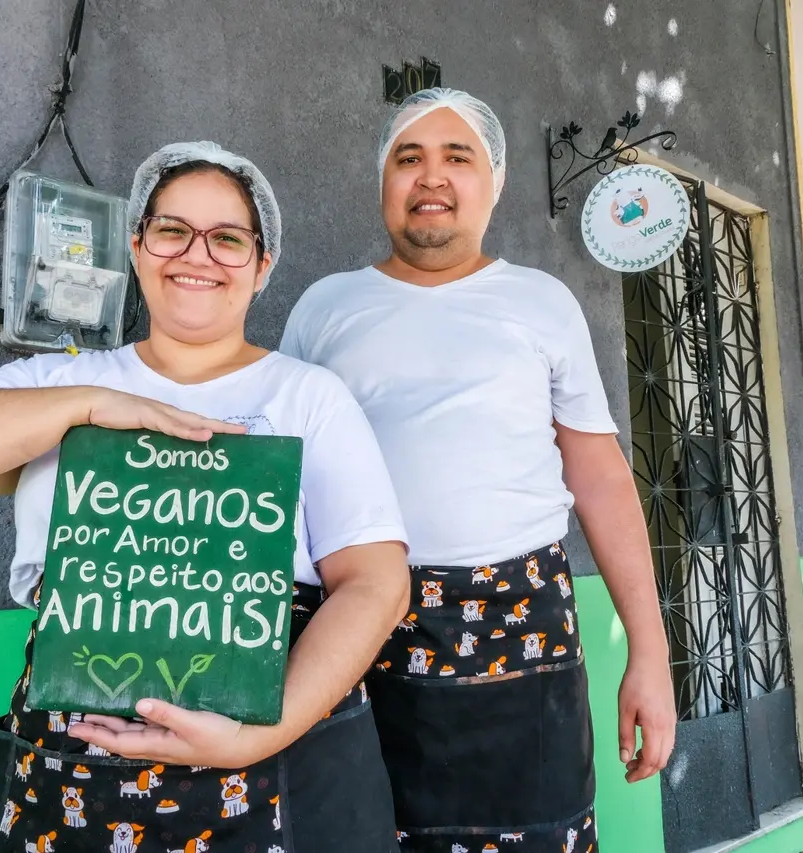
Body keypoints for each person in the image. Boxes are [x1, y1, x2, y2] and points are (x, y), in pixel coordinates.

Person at [0, 142, 410, 853]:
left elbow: (375, 584)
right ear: (138, 247)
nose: (197, 255)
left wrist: (254, 737)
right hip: (76, 766)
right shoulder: (58, 383)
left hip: (276, 751)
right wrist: (87, 406)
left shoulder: (307, 396)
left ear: (262, 265)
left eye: (228, 238)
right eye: (173, 230)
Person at [280, 89, 677, 851]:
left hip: (521, 623)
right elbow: (284, 478)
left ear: (493, 182)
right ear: (383, 181)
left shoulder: (542, 303)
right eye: (409, 158)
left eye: (456, 157)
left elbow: (600, 478)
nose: (431, 176)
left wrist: (650, 654)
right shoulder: (323, 308)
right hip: (357, 625)